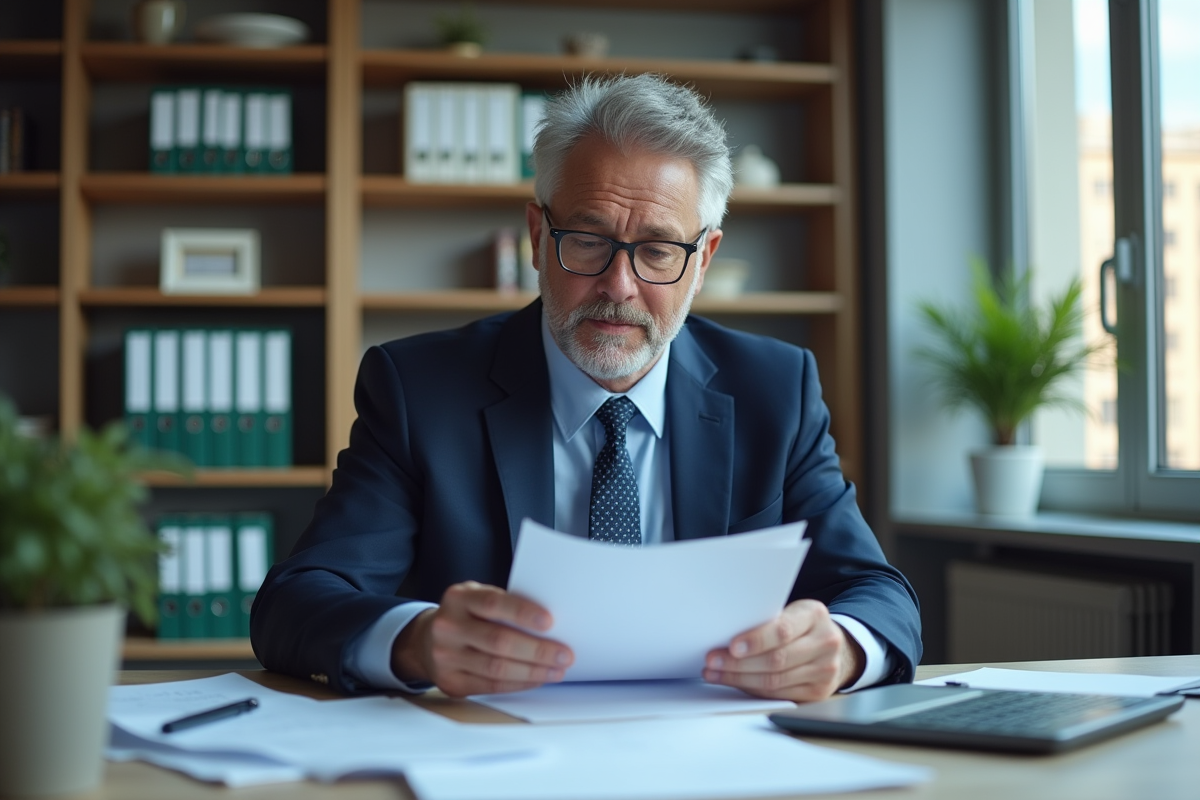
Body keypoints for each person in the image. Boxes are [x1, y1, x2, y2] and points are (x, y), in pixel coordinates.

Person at [251, 73, 921, 702]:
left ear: (703, 261)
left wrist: (843, 649)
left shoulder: (775, 390)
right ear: (538, 236)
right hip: (492, 745)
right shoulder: (421, 391)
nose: (618, 286)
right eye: (588, 240)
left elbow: (877, 592)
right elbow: (295, 602)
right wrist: (417, 642)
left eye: (658, 250)